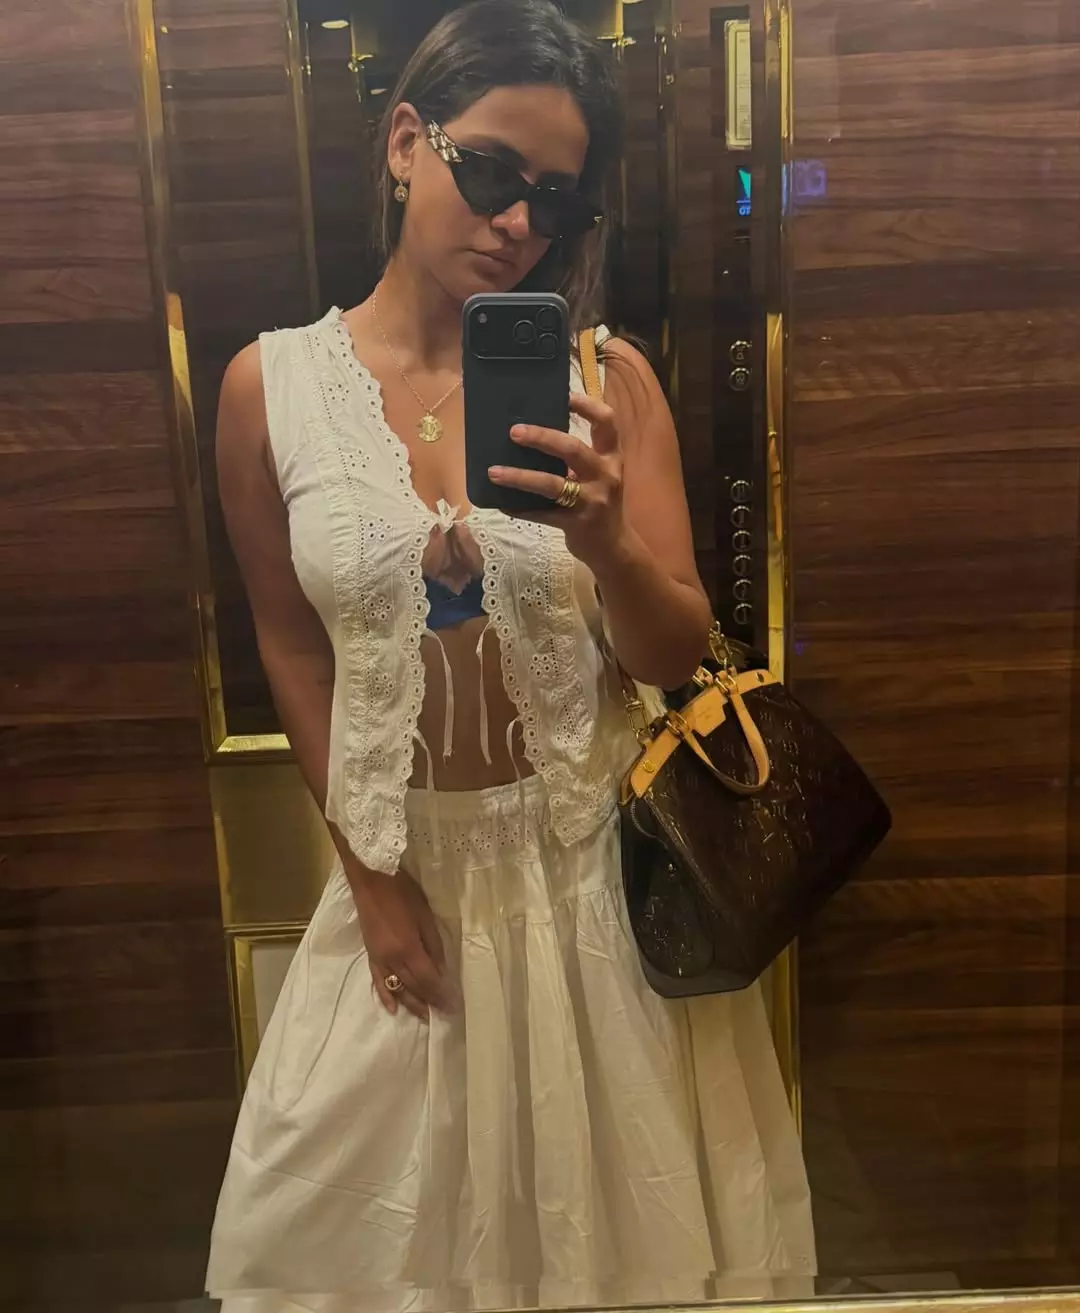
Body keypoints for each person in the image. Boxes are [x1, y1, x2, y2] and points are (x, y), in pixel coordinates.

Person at [206, 2, 815, 1309]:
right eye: (490, 174)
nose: (520, 224)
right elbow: (290, 649)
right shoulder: (270, 390)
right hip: (403, 883)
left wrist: (606, 541)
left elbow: (674, 652)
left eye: (557, 200)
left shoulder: (607, 381)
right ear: (404, 144)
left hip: (590, 893)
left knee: (612, 1259)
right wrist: (371, 883)